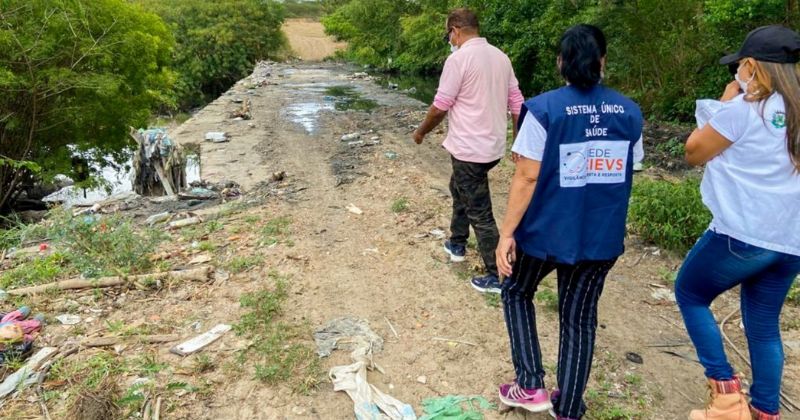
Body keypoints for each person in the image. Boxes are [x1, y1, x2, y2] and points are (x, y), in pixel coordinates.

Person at [494, 25, 644, 419]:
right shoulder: (629, 112)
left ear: (561, 62)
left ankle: (529, 384)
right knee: (579, 320)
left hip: (545, 233)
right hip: (600, 237)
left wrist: (506, 233)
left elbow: (526, 176)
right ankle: (570, 407)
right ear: (602, 62)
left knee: (515, 290)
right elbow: (633, 166)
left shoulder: (544, 110)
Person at [675, 25, 800, 420]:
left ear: (750, 66)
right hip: (790, 240)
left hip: (743, 234)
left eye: (739, 68)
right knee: (763, 326)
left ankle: (726, 396)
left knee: (690, 293)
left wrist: (725, 101)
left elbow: (694, 151)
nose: (737, 75)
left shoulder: (745, 108)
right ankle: (764, 411)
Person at [413, 8, 524, 294]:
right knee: (459, 188)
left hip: (469, 150)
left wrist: (421, 131)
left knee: (480, 211)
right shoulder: (501, 57)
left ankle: (497, 274)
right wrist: (519, 141)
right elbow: (517, 102)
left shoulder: (458, 59)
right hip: (492, 148)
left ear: (456, 30)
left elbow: (440, 106)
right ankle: (457, 243)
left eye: (448, 34)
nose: (449, 39)